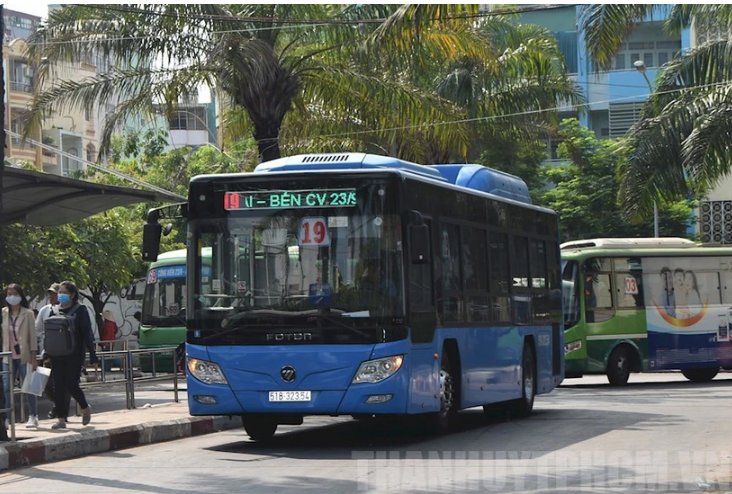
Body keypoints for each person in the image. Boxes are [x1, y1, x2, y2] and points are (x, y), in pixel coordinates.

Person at [49, 281, 98, 430]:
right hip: (57, 354)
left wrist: (93, 355)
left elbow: (87, 334)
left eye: (64, 292)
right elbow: (49, 334)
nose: (60, 295)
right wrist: (47, 351)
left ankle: (84, 407)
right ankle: (61, 419)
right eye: (59, 292)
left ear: (72, 294)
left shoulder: (80, 310)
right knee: (58, 386)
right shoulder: (55, 311)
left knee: (71, 384)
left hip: (75, 354)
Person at [2, 283, 39, 428]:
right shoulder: (4, 312)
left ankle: (33, 415)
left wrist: (34, 358)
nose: (12, 297)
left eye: (15, 294)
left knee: (29, 386)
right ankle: (7, 417)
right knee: (6, 387)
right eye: (9, 294)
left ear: (20, 296)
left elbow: (33, 338)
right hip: (8, 356)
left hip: (24, 356)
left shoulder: (28, 313)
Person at [35, 283, 71, 420]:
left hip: (65, 353)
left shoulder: (68, 310)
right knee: (46, 384)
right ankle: (58, 405)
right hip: (48, 352)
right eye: (50, 294)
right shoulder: (44, 311)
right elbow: (37, 329)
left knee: (63, 384)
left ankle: (62, 412)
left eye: (54, 293)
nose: (51, 296)